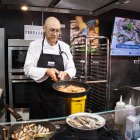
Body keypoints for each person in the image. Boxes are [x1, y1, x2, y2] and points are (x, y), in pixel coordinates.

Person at [24, 16, 76, 119]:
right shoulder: (35, 45)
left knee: (58, 130)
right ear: (44, 29)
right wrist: (47, 71)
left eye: (57, 31)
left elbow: (72, 68)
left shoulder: (65, 47)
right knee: (39, 130)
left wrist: (65, 73)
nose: (55, 34)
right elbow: (27, 69)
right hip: (39, 98)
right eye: (52, 30)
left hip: (58, 99)